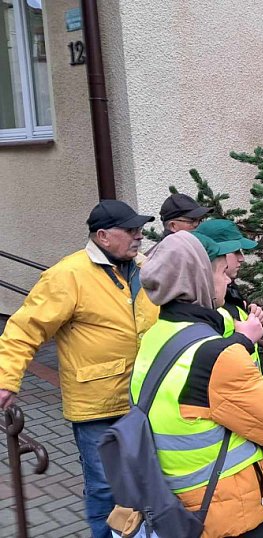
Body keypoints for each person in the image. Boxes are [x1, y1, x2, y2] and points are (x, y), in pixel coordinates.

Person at [0, 200, 158, 538]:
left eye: (139, 229)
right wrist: (6, 380)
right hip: (97, 406)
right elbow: (23, 330)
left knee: (147, 481)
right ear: (102, 236)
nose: (139, 236)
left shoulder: (144, 267)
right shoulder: (67, 274)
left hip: (146, 400)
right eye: (130, 230)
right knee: (104, 488)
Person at [131, 231, 263, 537]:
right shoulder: (216, 357)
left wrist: (241, 333)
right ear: (200, 280)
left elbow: (213, 324)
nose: (228, 281)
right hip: (227, 512)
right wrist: (242, 347)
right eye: (222, 273)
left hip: (176, 502)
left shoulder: (157, 336)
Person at [195, 219, 263, 349]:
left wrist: (251, 316)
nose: (242, 258)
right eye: (236, 251)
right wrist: (244, 339)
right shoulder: (205, 306)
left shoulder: (229, 291)